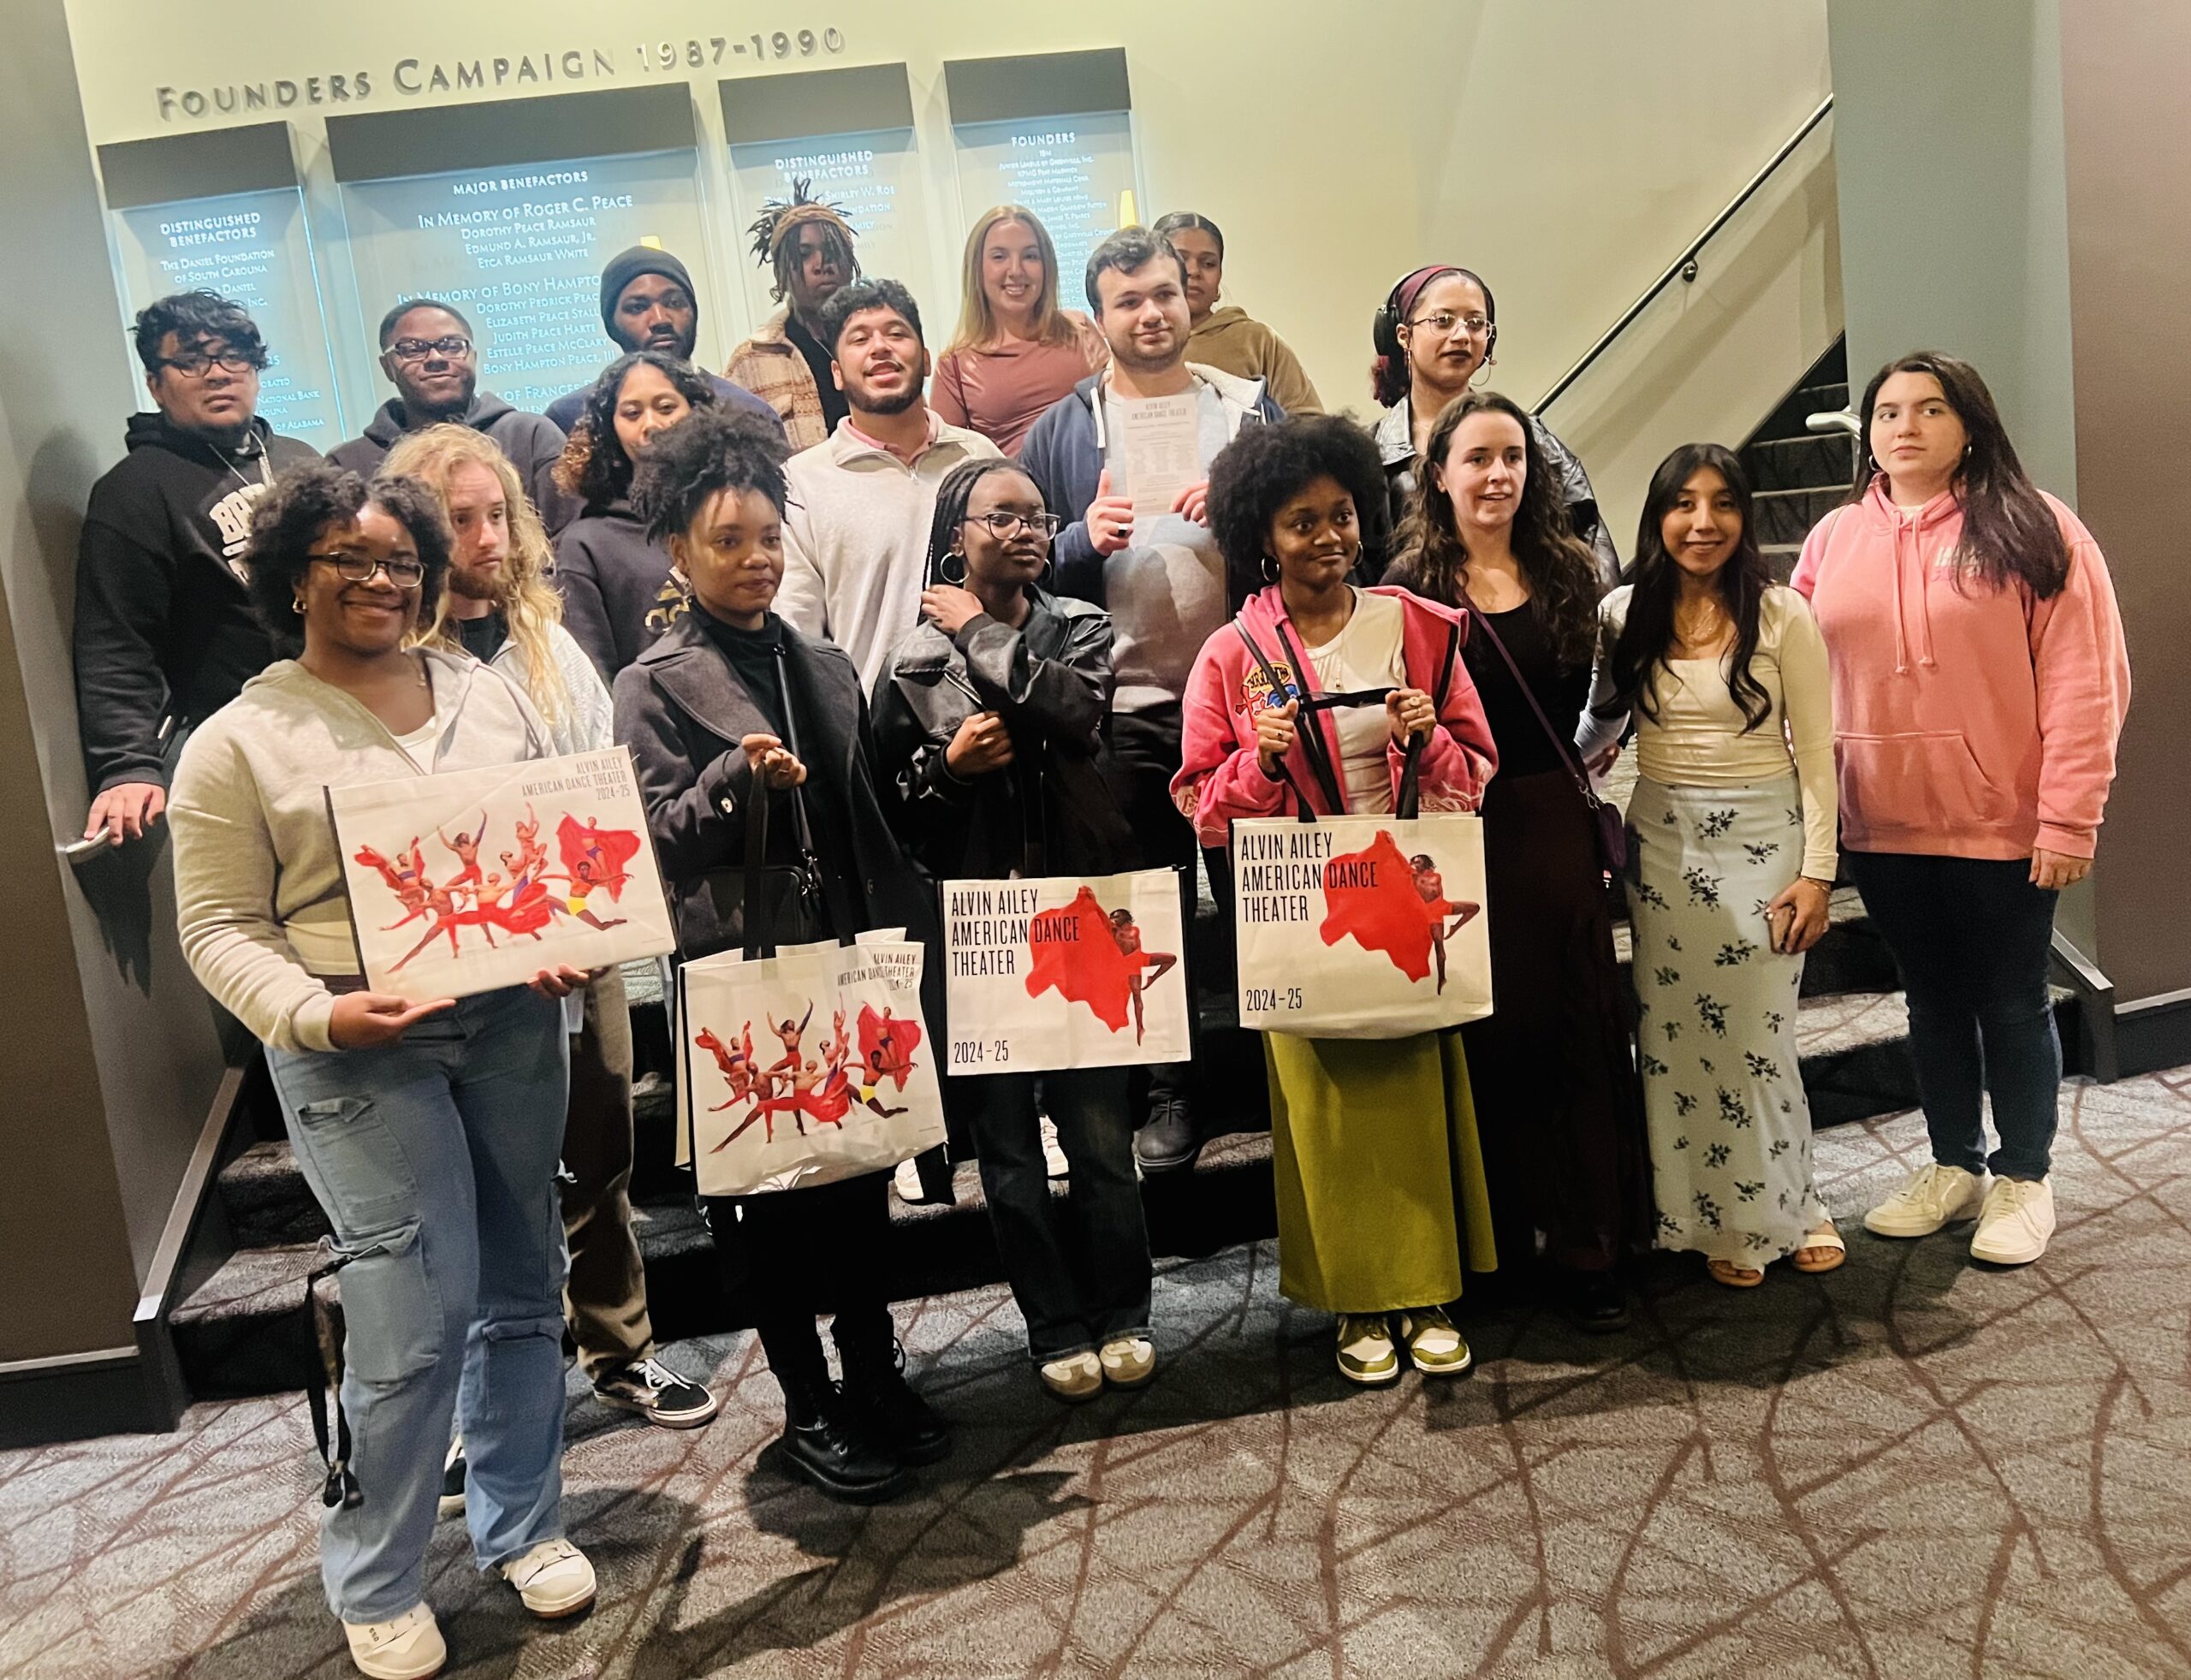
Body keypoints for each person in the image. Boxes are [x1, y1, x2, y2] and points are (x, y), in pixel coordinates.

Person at [168, 462, 595, 1678]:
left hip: (511, 1022)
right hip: (360, 1045)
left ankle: (523, 1519)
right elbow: (215, 927)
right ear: (293, 573)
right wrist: (315, 1010)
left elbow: (540, 858)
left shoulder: (486, 693)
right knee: (413, 1318)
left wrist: (558, 933)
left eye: (402, 560)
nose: (380, 580)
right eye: (350, 559)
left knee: (525, 1281)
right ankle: (376, 1571)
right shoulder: (240, 739)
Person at [614, 407, 951, 1503]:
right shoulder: (651, 683)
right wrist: (731, 785)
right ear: (679, 550)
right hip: (738, 975)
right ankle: (808, 1406)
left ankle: (872, 1375)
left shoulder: (822, 660)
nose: (754, 559)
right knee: (764, 1208)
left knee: (857, 1185)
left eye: (767, 538)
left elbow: (864, 818)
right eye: (728, 541)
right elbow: (652, 844)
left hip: (842, 966)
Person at [386, 424, 719, 1458]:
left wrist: (598, 930)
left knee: (601, 1153)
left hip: (576, 947)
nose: (485, 537)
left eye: (496, 515)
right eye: (458, 521)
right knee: (475, 1188)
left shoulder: (546, 635)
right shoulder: (390, 660)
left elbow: (597, 792)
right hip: (458, 967)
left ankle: (617, 1349)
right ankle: (471, 1400)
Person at [1174, 414, 1499, 1384]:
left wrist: (1424, 735)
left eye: (1341, 516)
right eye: (1299, 522)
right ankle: (1356, 1304)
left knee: (1415, 1106)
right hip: (1304, 915)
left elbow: (1476, 772)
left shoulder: (1419, 628)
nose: (1326, 537)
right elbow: (1196, 802)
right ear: (1259, 538)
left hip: (1401, 901)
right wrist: (1254, 761)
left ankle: (1428, 1287)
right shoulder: (1231, 655)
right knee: (1324, 1119)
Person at [1793, 353, 2129, 1267]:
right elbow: (1796, 680)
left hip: (2002, 822)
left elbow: (2084, 684)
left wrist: (2069, 818)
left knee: (2012, 1001)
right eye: (1888, 410)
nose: (1904, 425)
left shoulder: (2033, 526)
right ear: (1866, 431)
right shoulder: (1830, 541)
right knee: (1930, 1001)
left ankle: (2024, 1174)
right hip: (1882, 821)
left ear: (1968, 424)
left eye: (1929, 409)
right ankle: (1953, 1165)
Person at [872, 457, 1155, 1402]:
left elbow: (1074, 713)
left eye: (1041, 517)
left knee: (1102, 1139)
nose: (1029, 531)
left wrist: (985, 633)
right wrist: (948, 769)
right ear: (959, 535)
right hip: (978, 926)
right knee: (1010, 1156)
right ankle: (1053, 1322)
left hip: (1080, 916)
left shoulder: (1078, 626)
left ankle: (1125, 1310)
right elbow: (893, 810)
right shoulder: (912, 661)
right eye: (1005, 516)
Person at [1021, 225, 1284, 1172]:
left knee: (1265, 901)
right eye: (1128, 300)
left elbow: (1309, 529)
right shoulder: (1060, 429)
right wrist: (1079, 537)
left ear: (1191, 298)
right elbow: (1025, 567)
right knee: (1153, 916)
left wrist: (1242, 514)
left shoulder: (1249, 411)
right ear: (1099, 319)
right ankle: (1173, 1095)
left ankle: (1287, 1075)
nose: (1151, 312)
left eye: (1164, 293)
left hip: (1250, 709)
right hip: (1122, 711)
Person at [1384, 390, 1650, 1327]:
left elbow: (1608, 696)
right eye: (1478, 458)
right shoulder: (1408, 585)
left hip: (1549, 821)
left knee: (1577, 1028)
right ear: (1440, 473)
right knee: (1487, 1036)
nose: (1498, 475)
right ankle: (1495, 1243)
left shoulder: (1569, 568)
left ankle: (1586, 1246)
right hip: (1457, 831)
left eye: (1513, 457)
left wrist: (1590, 757)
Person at [1578, 442, 1844, 1287]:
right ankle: (1706, 1215)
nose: (1702, 522)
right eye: (1682, 503)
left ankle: (1795, 1202)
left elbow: (1817, 756)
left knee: (1760, 1037)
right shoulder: (1620, 613)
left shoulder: (1782, 614)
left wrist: (1818, 871)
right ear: (1657, 518)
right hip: (1665, 845)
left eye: (1722, 502)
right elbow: (1597, 728)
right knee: (1675, 1038)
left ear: (1744, 514)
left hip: (1766, 843)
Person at [74, 290, 319, 846]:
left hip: (338, 720)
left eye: (234, 355)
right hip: (241, 750)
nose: (217, 374)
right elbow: (116, 639)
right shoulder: (133, 490)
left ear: (256, 370)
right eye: (190, 361)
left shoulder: (301, 460)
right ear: (156, 383)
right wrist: (126, 765)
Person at [775, 278, 1004, 692]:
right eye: (859, 339)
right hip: (876, 731)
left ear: (928, 359)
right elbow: (799, 631)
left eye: (897, 334)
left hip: (994, 712)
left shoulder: (980, 457)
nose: (880, 347)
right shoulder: (802, 482)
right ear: (837, 374)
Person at [1369, 265, 1617, 583]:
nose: (1461, 336)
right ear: (1403, 335)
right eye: (1442, 321)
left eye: (1475, 323)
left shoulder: (1532, 436)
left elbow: (1588, 538)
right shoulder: (1372, 453)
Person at [329, 299, 579, 533]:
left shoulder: (531, 436)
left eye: (452, 346)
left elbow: (569, 538)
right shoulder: (347, 465)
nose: (436, 358)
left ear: (473, 357)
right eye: (413, 349)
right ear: (388, 367)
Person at [551, 352, 720, 682]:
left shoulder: (734, 513)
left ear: (697, 413)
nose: (651, 425)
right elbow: (595, 681)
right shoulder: (584, 546)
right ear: (610, 430)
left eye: (666, 408)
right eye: (632, 413)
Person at [541, 246, 779, 436]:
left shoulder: (748, 413)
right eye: (638, 307)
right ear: (611, 324)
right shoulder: (570, 418)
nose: (660, 319)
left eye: (674, 303)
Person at [931, 205, 1108, 456]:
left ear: (1047, 266)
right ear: (977, 269)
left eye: (1030, 256)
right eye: (999, 257)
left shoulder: (1079, 330)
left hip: (1097, 488)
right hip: (1018, 493)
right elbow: (947, 467)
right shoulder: (955, 368)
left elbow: (1118, 411)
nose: (1016, 271)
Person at [727, 179, 861, 450]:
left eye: (833, 251)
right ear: (782, 272)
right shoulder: (751, 362)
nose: (822, 265)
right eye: (804, 253)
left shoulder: (881, 344)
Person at [1152, 211, 1321, 416]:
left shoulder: (1257, 341)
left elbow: (1310, 421)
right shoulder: (1133, 342)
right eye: (1180, 259)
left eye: (1208, 264)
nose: (1194, 271)